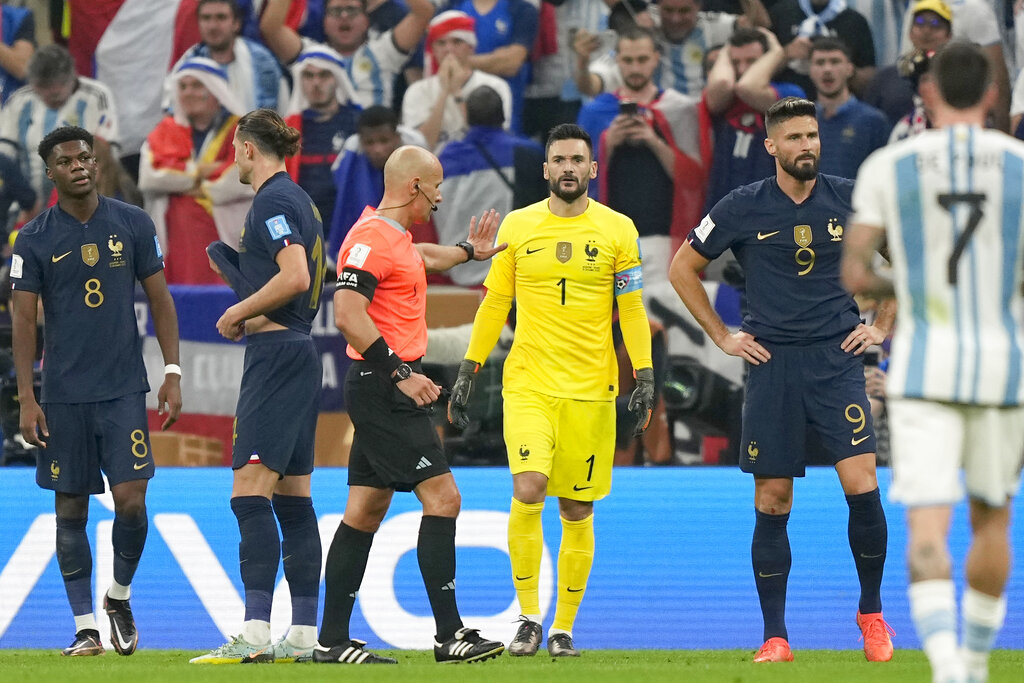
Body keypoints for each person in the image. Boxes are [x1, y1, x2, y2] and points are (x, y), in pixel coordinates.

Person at [669, 97, 892, 663]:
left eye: (812, 136)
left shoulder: (849, 198)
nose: (807, 146)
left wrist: (882, 325)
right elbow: (681, 268)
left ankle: (871, 613)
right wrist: (723, 335)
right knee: (772, 499)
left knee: (862, 483)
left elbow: (907, 257)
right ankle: (775, 636)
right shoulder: (742, 206)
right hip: (771, 366)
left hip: (836, 360)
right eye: (794, 138)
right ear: (771, 147)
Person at [842, 42, 1024, 683]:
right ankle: (974, 661)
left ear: (929, 94)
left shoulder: (892, 166)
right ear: (994, 96)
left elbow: (857, 269)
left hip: (922, 372)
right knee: (991, 520)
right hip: (1005, 371)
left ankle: (947, 666)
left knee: (926, 525)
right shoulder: (1021, 167)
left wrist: (913, 287)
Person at [448, 123, 656, 657]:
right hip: (529, 384)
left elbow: (631, 307)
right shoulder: (517, 228)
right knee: (529, 486)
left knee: (577, 509)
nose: (568, 168)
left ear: (592, 169)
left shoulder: (618, 230)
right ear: (546, 170)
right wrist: (470, 368)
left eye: (577, 160)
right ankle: (527, 617)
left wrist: (646, 374)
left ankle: (562, 627)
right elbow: (495, 303)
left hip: (592, 389)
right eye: (558, 159)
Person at [314, 144, 505, 665]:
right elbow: (348, 310)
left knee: (365, 508)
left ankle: (330, 642)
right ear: (414, 185)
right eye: (437, 185)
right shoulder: (370, 239)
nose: (441, 195)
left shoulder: (392, 237)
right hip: (385, 384)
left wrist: (469, 252)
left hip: (380, 382)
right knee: (444, 498)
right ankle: (450, 635)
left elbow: (421, 258)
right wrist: (400, 371)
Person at [10, 125, 182, 657]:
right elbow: (22, 321)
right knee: (71, 510)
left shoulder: (131, 223)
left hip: (123, 388)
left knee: (131, 500)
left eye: (86, 157)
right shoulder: (34, 237)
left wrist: (171, 370)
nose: (80, 166)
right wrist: (27, 398)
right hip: (62, 394)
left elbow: (161, 299)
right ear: (51, 171)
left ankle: (119, 596)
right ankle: (85, 627)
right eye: (67, 161)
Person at [189, 109, 327, 664]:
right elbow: (307, 275)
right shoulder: (302, 201)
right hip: (298, 351)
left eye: (234, 151)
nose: (233, 161)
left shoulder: (272, 201)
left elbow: (294, 275)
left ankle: (254, 634)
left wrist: (237, 311)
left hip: (275, 357)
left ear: (247, 148)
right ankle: (303, 635)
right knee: (294, 501)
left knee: (249, 494)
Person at [138, 57, 252, 285]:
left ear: (216, 90)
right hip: (177, 238)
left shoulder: (242, 130)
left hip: (228, 230)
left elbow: (240, 180)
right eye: (183, 86)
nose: (188, 92)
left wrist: (184, 183)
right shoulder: (166, 130)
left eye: (197, 85)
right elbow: (150, 178)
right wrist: (201, 172)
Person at [433, 85, 545, 286]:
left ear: (466, 115)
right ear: (503, 116)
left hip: (457, 272)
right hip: (510, 277)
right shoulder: (529, 154)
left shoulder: (444, 160)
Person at [0, 44, 119, 205]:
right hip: (26, 204)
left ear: (73, 77)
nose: (50, 94)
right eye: (42, 88)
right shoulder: (19, 100)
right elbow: (5, 158)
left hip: (83, 202)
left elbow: (107, 156)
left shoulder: (96, 96)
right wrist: (25, 200)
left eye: (57, 90)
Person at [260, 0, 434, 110]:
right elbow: (271, 28)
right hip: (317, 145)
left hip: (372, 149)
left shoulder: (383, 52)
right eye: (335, 11)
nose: (344, 17)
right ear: (324, 22)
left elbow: (423, 13)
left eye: (352, 10)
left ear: (366, 20)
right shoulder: (310, 54)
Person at [702, 27, 804, 211]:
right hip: (724, 206)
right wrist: (727, 48)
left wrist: (776, 52)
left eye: (751, 61)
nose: (742, 69)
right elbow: (723, 83)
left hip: (773, 206)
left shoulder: (789, 92)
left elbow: (747, 87)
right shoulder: (723, 97)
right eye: (735, 62)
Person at [401, 10, 512, 152]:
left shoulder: (494, 86)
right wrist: (445, 92)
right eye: (441, 43)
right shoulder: (417, 91)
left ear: (471, 48)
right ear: (433, 50)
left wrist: (457, 93)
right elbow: (421, 148)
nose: (449, 49)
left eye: (457, 41)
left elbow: (491, 141)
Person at [282, 44, 362, 234]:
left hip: (350, 225)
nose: (316, 83)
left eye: (324, 75)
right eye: (308, 76)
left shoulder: (359, 123)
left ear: (337, 79)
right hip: (304, 230)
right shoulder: (286, 130)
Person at [171, 0, 288, 113]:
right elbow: (172, 114)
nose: (213, 26)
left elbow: (282, 117)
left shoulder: (263, 62)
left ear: (236, 24)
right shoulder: (188, 62)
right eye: (206, 18)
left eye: (221, 17)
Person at [808, 37, 889, 179]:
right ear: (810, 70)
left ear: (849, 69)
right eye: (820, 63)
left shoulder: (873, 121)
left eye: (835, 62)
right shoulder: (801, 121)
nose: (827, 69)